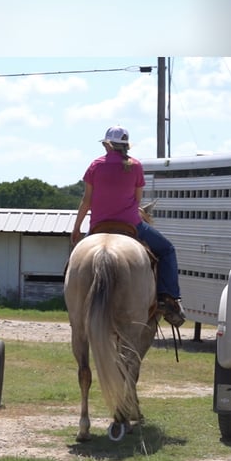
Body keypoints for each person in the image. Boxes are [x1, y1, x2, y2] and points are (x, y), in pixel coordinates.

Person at [70, 125, 186, 327]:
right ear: (126, 146)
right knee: (167, 250)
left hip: (99, 226)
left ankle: (73, 300)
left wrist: (76, 227)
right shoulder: (136, 166)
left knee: (77, 261)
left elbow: (86, 200)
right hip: (132, 225)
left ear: (107, 145)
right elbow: (137, 200)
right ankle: (168, 299)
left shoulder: (95, 166)